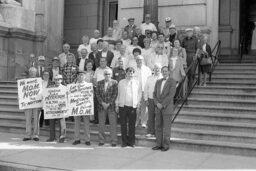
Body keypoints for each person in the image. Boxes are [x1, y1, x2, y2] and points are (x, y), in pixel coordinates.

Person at [152, 66, 176, 152]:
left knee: (166, 128)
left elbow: (171, 95)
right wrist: (157, 103)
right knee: (158, 127)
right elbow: (154, 94)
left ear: (169, 72)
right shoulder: (158, 82)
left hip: (167, 108)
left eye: (166, 71)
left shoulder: (172, 81)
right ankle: (158, 144)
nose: (164, 72)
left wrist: (162, 104)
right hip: (158, 108)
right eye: (163, 71)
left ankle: (166, 145)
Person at [116, 67, 141, 147]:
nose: (130, 74)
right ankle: (124, 142)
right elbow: (118, 94)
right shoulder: (121, 82)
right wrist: (117, 104)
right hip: (122, 106)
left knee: (131, 125)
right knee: (123, 124)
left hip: (132, 107)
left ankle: (131, 142)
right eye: (128, 73)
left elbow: (139, 94)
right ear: (126, 73)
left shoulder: (137, 82)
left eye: (132, 73)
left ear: (134, 74)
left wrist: (137, 103)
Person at [96, 68, 118, 146]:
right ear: (103, 75)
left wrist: (109, 103)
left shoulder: (115, 82)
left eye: (109, 74)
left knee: (113, 124)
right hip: (101, 106)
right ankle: (101, 140)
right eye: (106, 74)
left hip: (111, 106)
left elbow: (115, 94)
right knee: (101, 124)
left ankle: (114, 141)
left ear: (111, 75)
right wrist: (102, 103)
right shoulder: (99, 83)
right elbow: (97, 94)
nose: (107, 75)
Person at [46, 74, 67, 143]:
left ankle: (62, 137)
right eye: (56, 79)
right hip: (52, 108)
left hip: (61, 108)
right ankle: (52, 137)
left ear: (61, 80)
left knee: (62, 123)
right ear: (54, 80)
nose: (57, 81)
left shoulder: (65, 88)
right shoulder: (50, 88)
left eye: (59, 79)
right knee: (51, 123)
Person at [72, 72, 91, 146]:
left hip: (85, 107)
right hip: (76, 107)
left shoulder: (88, 85)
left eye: (82, 76)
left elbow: (91, 96)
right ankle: (77, 139)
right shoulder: (74, 86)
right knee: (77, 124)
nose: (81, 77)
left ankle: (87, 139)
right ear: (77, 76)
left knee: (86, 124)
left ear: (85, 77)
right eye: (79, 75)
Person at [22, 67, 41, 142]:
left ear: (36, 73)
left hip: (36, 103)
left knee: (36, 119)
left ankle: (36, 134)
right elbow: (22, 92)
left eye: (34, 72)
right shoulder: (25, 81)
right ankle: (28, 134)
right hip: (27, 103)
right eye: (31, 72)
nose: (33, 73)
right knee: (28, 119)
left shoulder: (39, 81)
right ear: (29, 73)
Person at [144, 63, 162, 137]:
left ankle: (158, 133)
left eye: (158, 68)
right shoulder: (149, 78)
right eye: (155, 68)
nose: (157, 70)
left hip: (159, 100)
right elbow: (146, 89)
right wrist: (146, 99)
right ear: (153, 69)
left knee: (159, 117)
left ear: (160, 70)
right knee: (151, 116)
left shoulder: (163, 78)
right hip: (150, 99)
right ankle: (150, 132)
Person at [134, 55, 152, 128]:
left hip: (145, 90)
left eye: (140, 60)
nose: (139, 61)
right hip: (136, 91)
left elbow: (150, 80)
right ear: (136, 61)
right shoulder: (133, 69)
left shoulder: (147, 69)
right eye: (138, 60)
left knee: (144, 107)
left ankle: (143, 122)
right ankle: (136, 121)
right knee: (136, 107)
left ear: (143, 60)